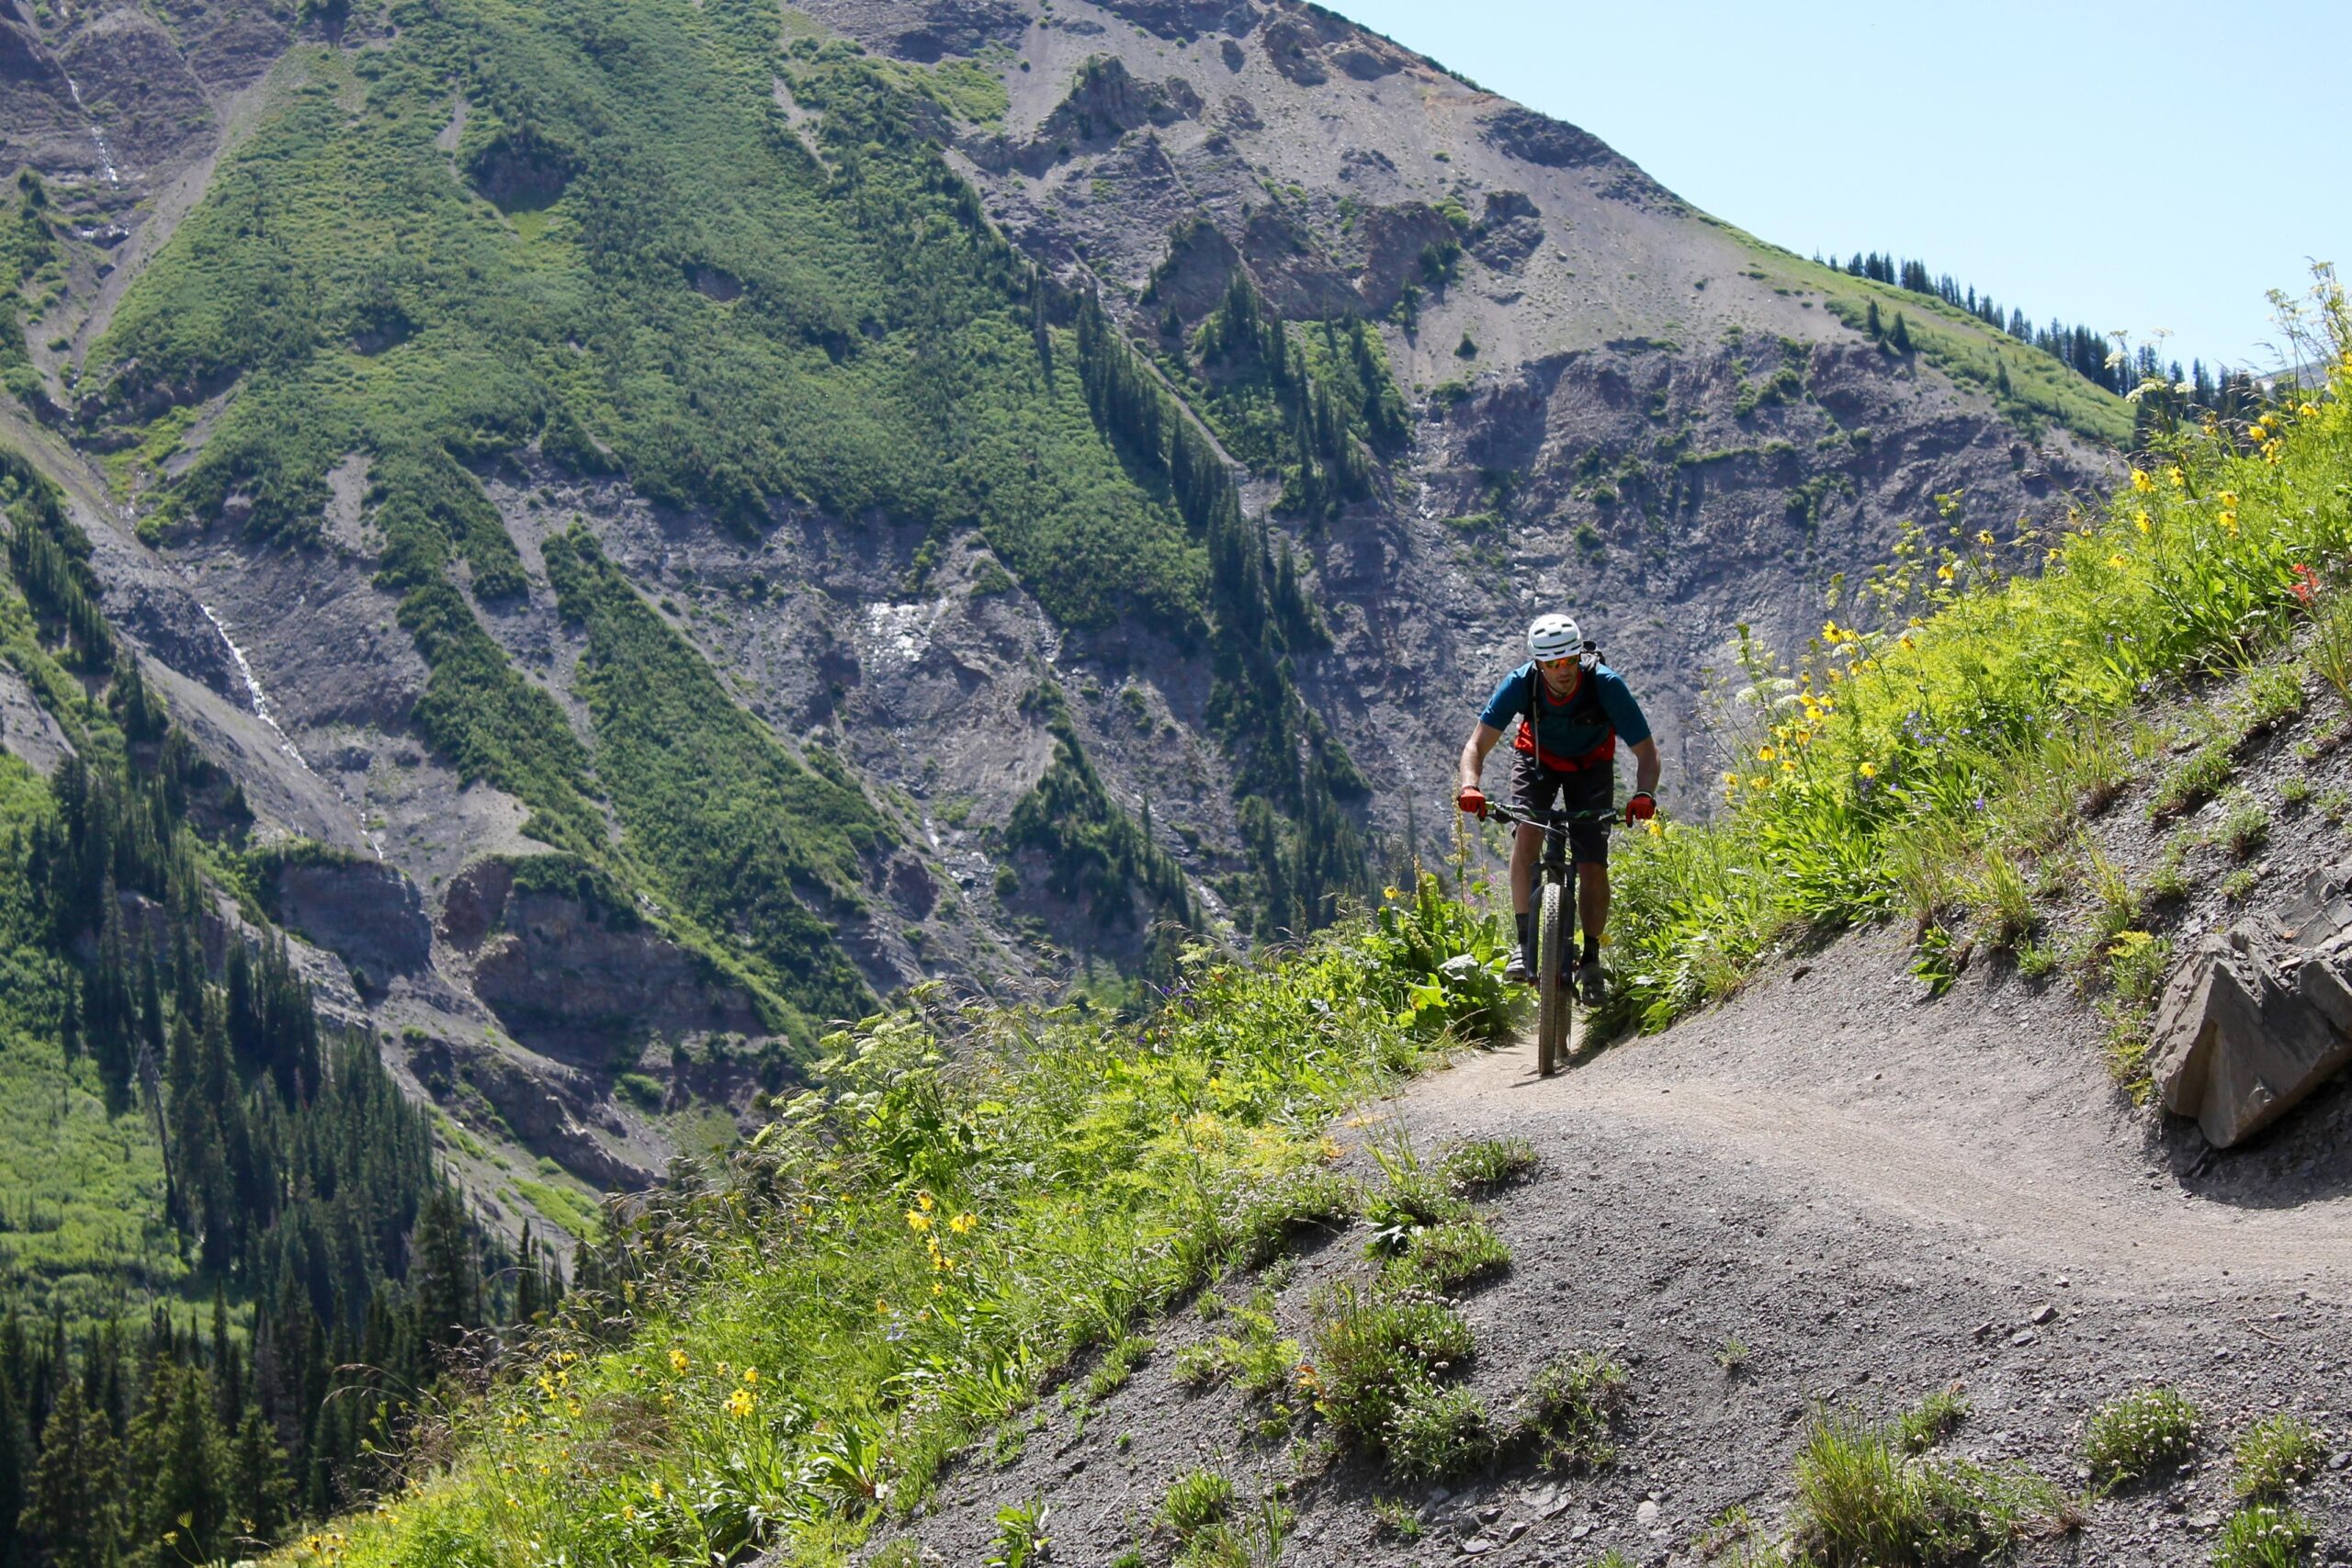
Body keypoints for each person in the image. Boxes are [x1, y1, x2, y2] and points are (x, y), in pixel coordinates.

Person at [1454, 613, 1660, 998]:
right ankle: (1523, 944)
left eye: (1569, 660)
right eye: (1552, 664)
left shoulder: (1606, 685)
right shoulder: (1521, 683)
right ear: (1538, 663)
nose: (1563, 671)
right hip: (1537, 762)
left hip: (1591, 768)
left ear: (1579, 655)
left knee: (1592, 862)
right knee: (1527, 836)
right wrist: (1470, 786)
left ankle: (1592, 960)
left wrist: (1643, 794)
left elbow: (1647, 753)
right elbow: (1476, 745)